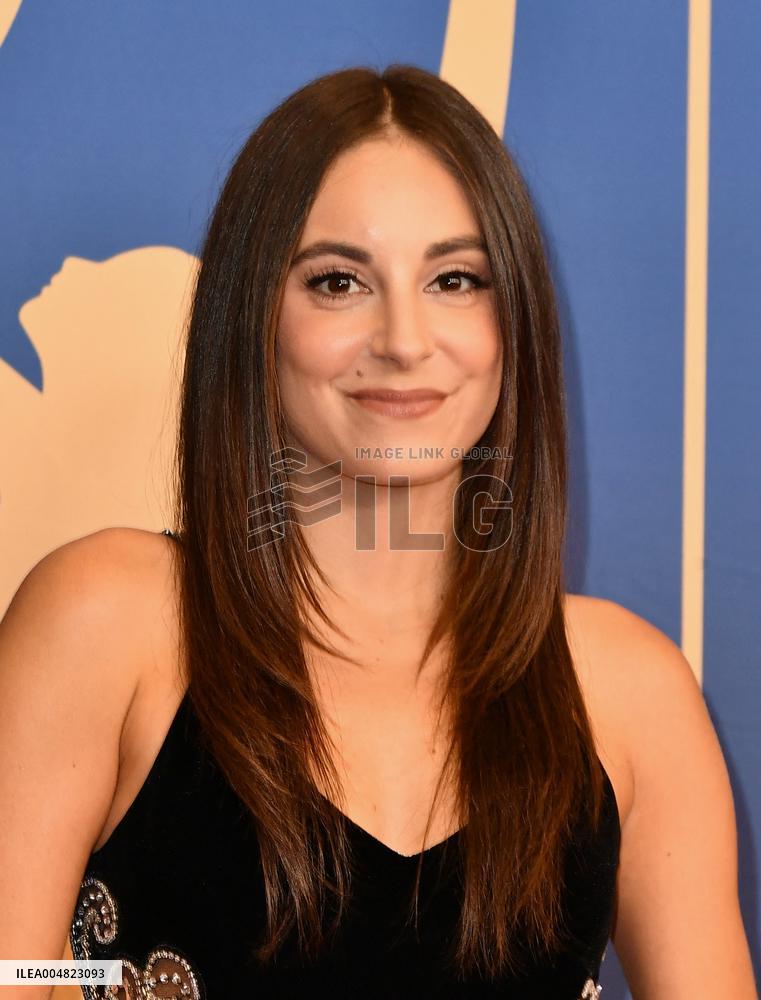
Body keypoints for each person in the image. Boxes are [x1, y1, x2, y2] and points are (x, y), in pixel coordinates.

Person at [0, 64, 755, 999]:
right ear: (252, 315)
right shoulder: (111, 620)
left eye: (453, 278)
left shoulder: (628, 693)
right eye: (338, 281)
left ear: (511, 320)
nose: (404, 338)